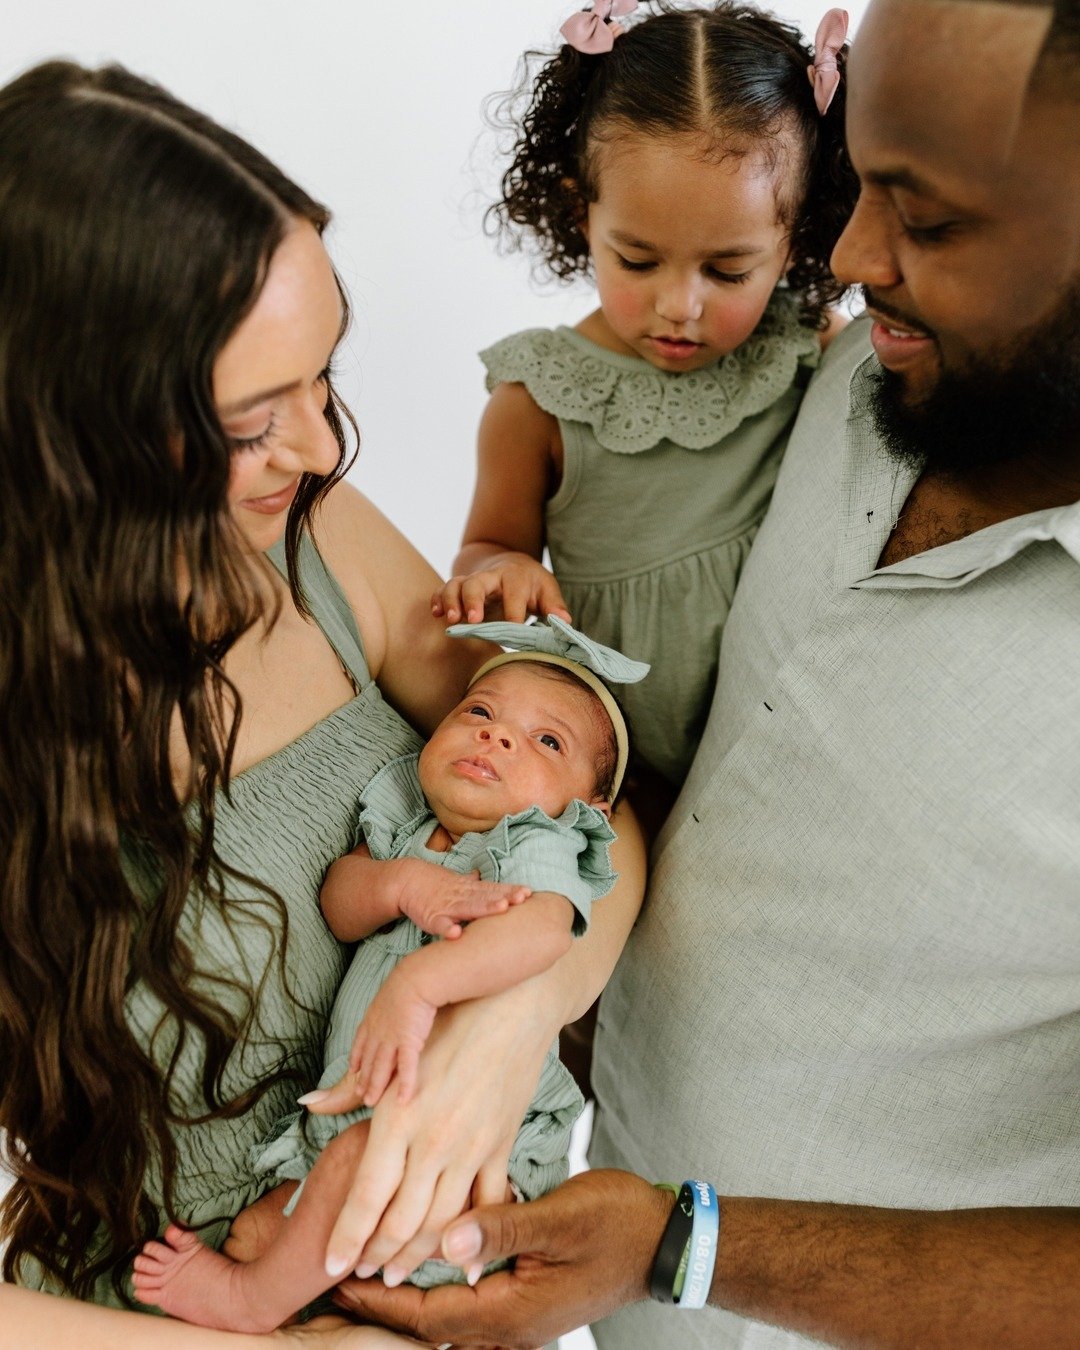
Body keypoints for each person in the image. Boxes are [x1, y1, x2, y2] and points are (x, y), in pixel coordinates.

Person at [340, 0, 1080, 1345]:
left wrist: (692, 1247)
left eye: (929, 216)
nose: (848, 258)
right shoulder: (849, 377)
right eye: (860, 185)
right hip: (606, 1250)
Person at [0, 60, 645, 1345]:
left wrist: (503, 1022)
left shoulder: (314, 535)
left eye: (321, 372)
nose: (317, 446)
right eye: (249, 418)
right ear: (69, 425)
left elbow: (598, 812)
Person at [132, 621, 647, 1331]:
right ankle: (327, 1312)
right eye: (481, 713)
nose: (498, 737)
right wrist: (399, 885)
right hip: (369, 1115)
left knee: (344, 1178)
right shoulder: (406, 824)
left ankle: (251, 1303)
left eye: (546, 741)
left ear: (590, 811)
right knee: (258, 1234)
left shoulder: (539, 843)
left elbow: (543, 933)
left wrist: (420, 983)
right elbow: (340, 906)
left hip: (466, 1159)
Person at [433, 0, 858, 787]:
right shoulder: (539, 400)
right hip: (602, 757)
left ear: (796, 240)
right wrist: (499, 568)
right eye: (636, 260)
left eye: (728, 271)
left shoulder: (805, 350)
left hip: (769, 744)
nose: (680, 306)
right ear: (580, 213)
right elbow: (487, 546)